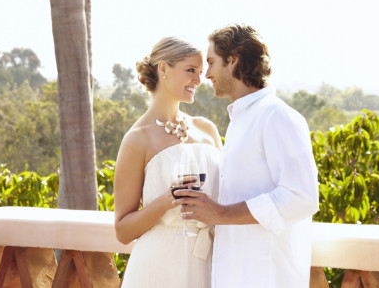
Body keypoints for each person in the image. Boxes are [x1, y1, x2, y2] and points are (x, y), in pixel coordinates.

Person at [174, 24, 320, 287]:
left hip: (267, 278)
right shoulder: (241, 120)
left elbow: (302, 197)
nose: (206, 74)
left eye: (211, 63)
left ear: (233, 61)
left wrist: (220, 214)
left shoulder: (276, 116)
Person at [114, 37, 223, 288]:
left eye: (200, 72)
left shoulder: (208, 129)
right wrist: (166, 201)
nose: (198, 80)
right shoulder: (136, 140)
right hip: (158, 268)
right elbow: (123, 231)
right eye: (190, 71)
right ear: (163, 69)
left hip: (209, 263)